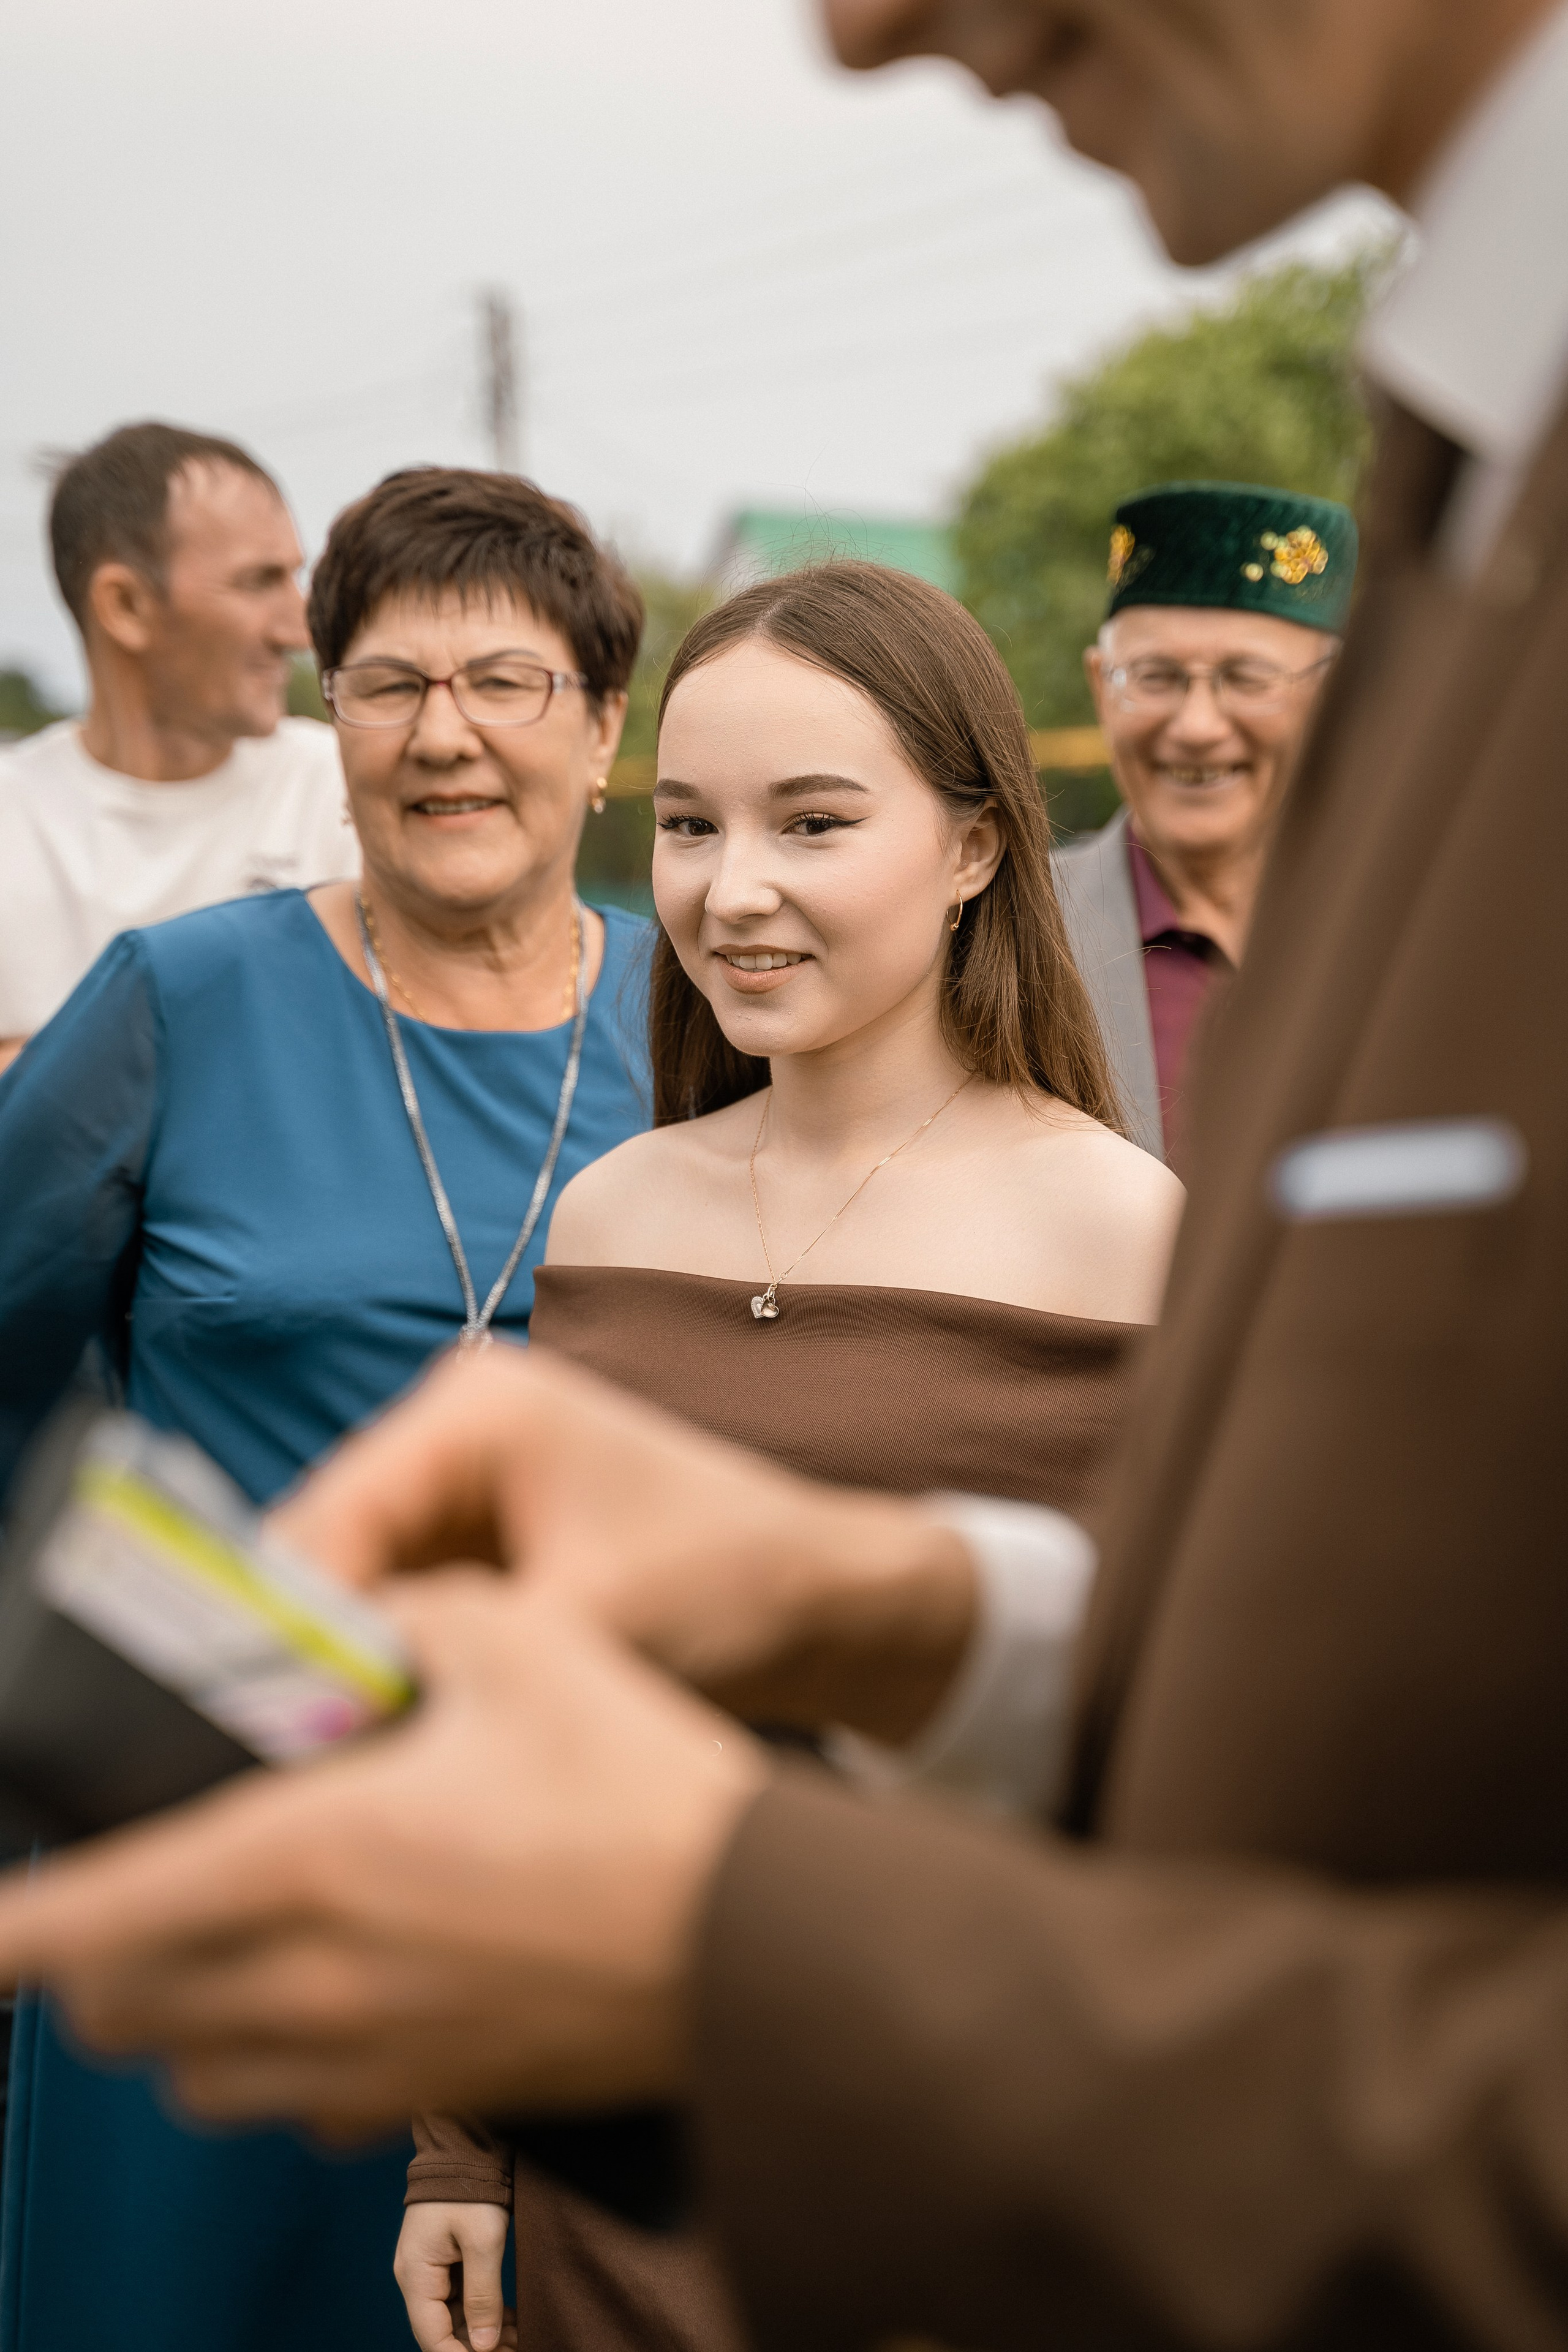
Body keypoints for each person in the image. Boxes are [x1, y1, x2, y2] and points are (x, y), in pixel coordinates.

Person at [3, 0, 1568, 2348]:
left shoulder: (1079, 1184)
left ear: (967, 844)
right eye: (391, 685)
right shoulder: (297, 1041)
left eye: (510, 686)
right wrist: (914, 1618)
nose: (850, 34)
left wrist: (747, 1938)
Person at [399, 562, 1181, 2352]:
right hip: (613, 2174)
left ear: (976, 845)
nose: (727, 890)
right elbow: (536, 1708)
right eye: (685, 824)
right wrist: (458, 2149)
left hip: (961, 2176)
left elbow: (1170, 1772)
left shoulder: (1127, 1231)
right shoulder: (609, 1212)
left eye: (811, 820)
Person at [0, 465, 650, 2352]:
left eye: (505, 685)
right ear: (332, 720)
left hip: (572, 1882)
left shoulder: (708, 1025)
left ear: (604, 729)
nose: (442, 738)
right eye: (386, 685)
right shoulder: (180, 1002)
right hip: (204, 1871)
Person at [0, 420, 358, 1072]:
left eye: (295, 577)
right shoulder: (13, 818)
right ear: (126, 605)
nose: (299, 629)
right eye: (258, 582)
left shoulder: (341, 785)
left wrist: (50, 1062)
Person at [1057, 481, 1355, 1169]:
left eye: (1246, 678)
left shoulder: (1405, 930)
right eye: (1155, 676)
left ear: (1330, 696)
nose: (1195, 727)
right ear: (1103, 688)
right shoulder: (1007, 939)